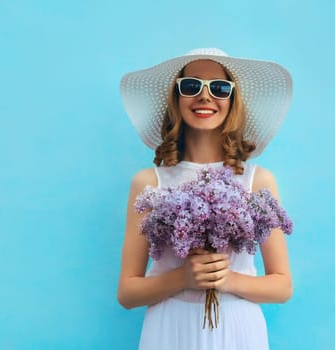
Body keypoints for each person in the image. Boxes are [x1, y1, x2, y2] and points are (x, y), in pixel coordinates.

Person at [117, 48, 293, 350]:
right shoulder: (149, 184)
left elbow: (282, 285)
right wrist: (183, 278)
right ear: (177, 98)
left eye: (219, 88)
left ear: (232, 100)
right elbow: (127, 292)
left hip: (237, 328)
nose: (205, 96)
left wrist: (228, 281)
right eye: (191, 86)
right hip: (170, 329)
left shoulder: (258, 180)